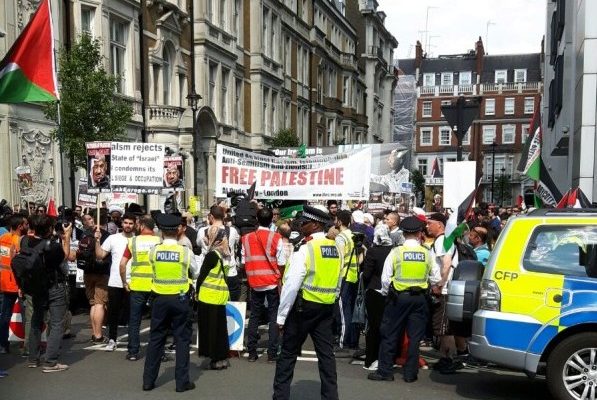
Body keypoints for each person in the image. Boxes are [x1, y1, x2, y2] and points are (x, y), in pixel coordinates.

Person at [273, 205, 343, 400]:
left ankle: (280, 397)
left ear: (315, 225)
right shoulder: (336, 248)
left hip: (303, 309)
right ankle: (331, 396)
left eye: (304, 223)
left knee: (287, 355)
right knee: (326, 356)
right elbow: (338, 279)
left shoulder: (306, 249)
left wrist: (281, 317)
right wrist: (333, 299)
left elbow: (291, 286)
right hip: (326, 308)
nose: (301, 226)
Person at [368, 216, 440, 383]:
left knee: (390, 334)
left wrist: (387, 294)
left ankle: (385, 371)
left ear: (404, 233)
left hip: (398, 298)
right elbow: (435, 278)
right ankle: (410, 373)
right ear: (419, 233)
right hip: (420, 299)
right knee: (415, 337)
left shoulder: (397, 252)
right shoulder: (426, 253)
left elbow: (386, 279)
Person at [143, 214, 198, 392]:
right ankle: (182, 383)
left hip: (159, 298)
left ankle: (148, 381)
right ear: (178, 231)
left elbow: (152, 268)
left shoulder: (154, 251)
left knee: (156, 339)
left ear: (161, 232)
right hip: (180, 299)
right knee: (182, 340)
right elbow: (195, 273)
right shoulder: (185, 252)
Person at [26, 214, 72, 372]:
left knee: (36, 320)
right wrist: (66, 238)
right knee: (57, 322)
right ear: (49, 229)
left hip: (35, 287)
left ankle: (33, 358)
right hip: (54, 286)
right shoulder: (51, 245)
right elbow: (65, 257)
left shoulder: (26, 241)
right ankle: (50, 361)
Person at [243, 208, 286, 363]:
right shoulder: (276, 237)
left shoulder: (246, 238)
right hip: (271, 281)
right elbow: (281, 262)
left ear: (257, 219)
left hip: (254, 280)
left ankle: (252, 352)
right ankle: (272, 353)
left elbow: (244, 260)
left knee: (255, 315)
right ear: (271, 220)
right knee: (273, 316)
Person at [119, 215, 161, 361]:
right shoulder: (159, 241)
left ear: (142, 225)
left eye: (137, 223)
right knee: (157, 320)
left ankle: (133, 352)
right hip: (156, 285)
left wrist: (125, 282)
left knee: (134, 320)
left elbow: (122, 264)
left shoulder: (133, 241)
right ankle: (158, 352)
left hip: (137, 285)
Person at [94, 213, 136, 351]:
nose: (128, 226)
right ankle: (112, 339)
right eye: (126, 223)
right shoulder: (113, 238)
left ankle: (133, 339)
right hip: (115, 281)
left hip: (134, 282)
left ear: (134, 224)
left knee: (132, 313)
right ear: (121, 224)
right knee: (113, 312)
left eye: (130, 223)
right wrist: (97, 240)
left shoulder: (137, 240)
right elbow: (100, 255)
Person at [426, 212, 462, 373]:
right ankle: (448, 358)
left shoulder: (442, 241)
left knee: (443, 329)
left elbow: (446, 264)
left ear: (439, 225)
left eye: (430, 223)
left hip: (444, 290)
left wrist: (439, 284)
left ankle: (448, 360)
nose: (427, 226)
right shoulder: (445, 240)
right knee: (445, 328)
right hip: (446, 289)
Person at [196, 226, 232, 370]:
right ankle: (222, 358)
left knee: (209, 330)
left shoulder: (211, 255)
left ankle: (215, 358)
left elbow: (202, 276)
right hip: (220, 296)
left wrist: (196, 292)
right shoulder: (225, 255)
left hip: (208, 296)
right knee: (220, 329)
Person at [361, 223, 393, 371]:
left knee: (373, 327)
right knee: (389, 327)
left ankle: (371, 359)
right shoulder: (394, 251)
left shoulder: (373, 252)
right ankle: (386, 358)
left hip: (374, 290)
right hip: (391, 291)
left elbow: (366, 274)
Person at [196, 205, 241, 300]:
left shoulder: (202, 231)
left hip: (210, 275)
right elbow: (237, 241)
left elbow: (198, 244)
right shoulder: (232, 231)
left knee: (212, 306)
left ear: (211, 217)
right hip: (230, 272)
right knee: (231, 305)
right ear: (224, 216)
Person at [0, 214, 28, 353]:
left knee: (5, 315)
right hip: (18, 283)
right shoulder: (19, 242)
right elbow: (21, 265)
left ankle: (3, 344)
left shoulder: (2, 239)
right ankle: (26, 344)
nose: (27, 226)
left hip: (4, 282)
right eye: (25, 224)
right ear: (19, 226)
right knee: (27, 315)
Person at [334, 209, 359, 352]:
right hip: (353, 275)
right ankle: (351, 339)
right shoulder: (353, 235)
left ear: (339, 221)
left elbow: (340, 259)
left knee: (343, 310)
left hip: (343, 275)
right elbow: (363, 252)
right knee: (349, 309)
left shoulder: (341, 237)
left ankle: (343, 341)